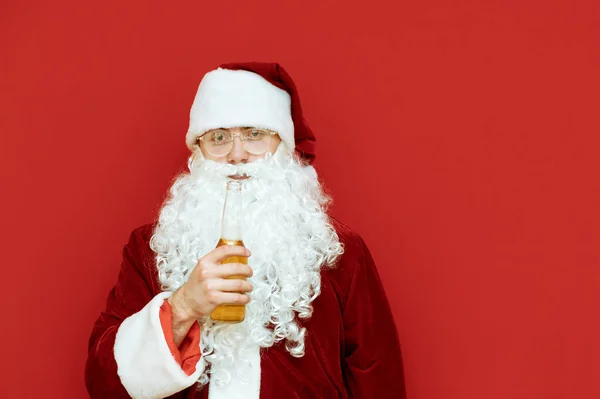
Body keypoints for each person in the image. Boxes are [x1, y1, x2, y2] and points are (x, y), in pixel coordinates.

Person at [85, 62, 406, 399]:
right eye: (219, 138)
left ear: (282, 145)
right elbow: (104, 382)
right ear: (198, 151)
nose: (237, 155)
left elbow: (378, 379)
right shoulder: (150, 248)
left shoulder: (339, 250)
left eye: (254, 134)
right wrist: (183, 306)